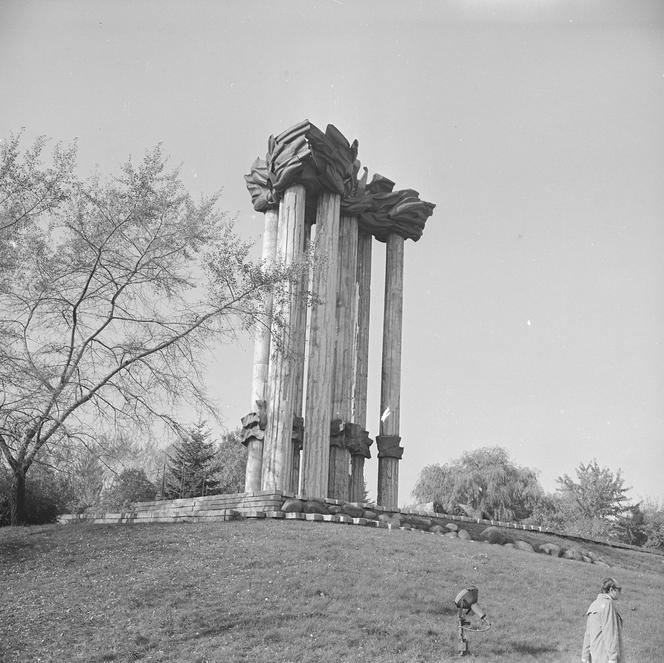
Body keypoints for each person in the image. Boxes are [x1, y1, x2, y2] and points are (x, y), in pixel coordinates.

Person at [581, 577, 624, 663]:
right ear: (611, 590)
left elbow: (588, 634)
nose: (621, 592)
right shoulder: (608, 604)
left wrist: (585, 656)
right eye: (619, 589)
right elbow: (610, 632)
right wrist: (612, 658)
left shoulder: (594, 604)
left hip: (595, 656)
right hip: (606, 657)